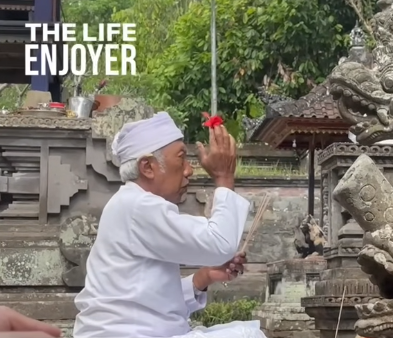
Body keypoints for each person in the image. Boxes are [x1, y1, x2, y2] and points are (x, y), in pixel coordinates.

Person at [73, 112, 265, 338]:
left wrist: (203, 278)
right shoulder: (138, 206)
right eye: (181, 158)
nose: (189, 170)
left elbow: (148, 304)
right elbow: (220, 244)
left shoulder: (132, 205)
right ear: (147, 167)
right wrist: (224, 177)